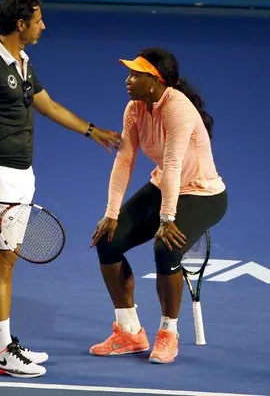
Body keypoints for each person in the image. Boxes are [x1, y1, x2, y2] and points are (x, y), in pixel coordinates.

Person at [0, 0, 121, 378]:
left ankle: (1, 343)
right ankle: (1, 351)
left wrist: (91, 131)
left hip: (20, 175)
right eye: (38, 20)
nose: (43, 25)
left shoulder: (22, 61)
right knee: (1, 263)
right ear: (22, 24)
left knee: (7, 262)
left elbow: (44, 102)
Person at [89, 47, 228, 364]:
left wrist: (167, 219)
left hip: (202, 194)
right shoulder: (135, 108)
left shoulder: (178, 108)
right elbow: (125, 159)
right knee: (108, 241)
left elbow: (174, 163)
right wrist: (111, 213)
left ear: (155, 81)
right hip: (165, 184)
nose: (128, 80)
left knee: (166, 248)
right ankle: (129, 331)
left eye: (135, 74)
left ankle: (168, 334)